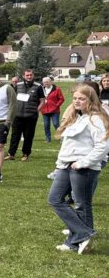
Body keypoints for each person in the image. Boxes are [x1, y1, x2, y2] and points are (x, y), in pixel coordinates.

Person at [48, 85, 109, 254]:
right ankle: (83, 234)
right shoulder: (77, 117)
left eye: (81, 99)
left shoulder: (96, 119)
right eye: (75, 98)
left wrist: (84, 162)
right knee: (55, 199)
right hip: (66, 165)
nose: (77, 101)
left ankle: (76, 241)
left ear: (91, 100)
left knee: (82, 204)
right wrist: (60, 164)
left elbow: (103, 146)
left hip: (83, 168)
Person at [6, 69, 45, 162]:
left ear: (33, 75)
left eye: (31, 75)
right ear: (23, 76)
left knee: (28, 136)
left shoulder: (38, 86)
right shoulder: (17, 85)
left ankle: (26, 154)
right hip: (17, 115)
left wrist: (36, 111)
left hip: (31, 116)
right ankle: (11, 154)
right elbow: (12, 99)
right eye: (27, 75)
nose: (29, 77)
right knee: (15, 135)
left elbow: (43, 101)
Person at [40, 76, 65, 143]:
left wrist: (56, 105)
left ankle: (61, 137)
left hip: (55, 111)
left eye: (47, 82)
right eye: (44, 82)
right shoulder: (41, 89)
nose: (46, 83)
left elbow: (61, 99)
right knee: (46, 125)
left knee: (56, 124)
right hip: (45, 110)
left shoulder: (57, 89)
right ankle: (48, 139)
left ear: (50, 82)